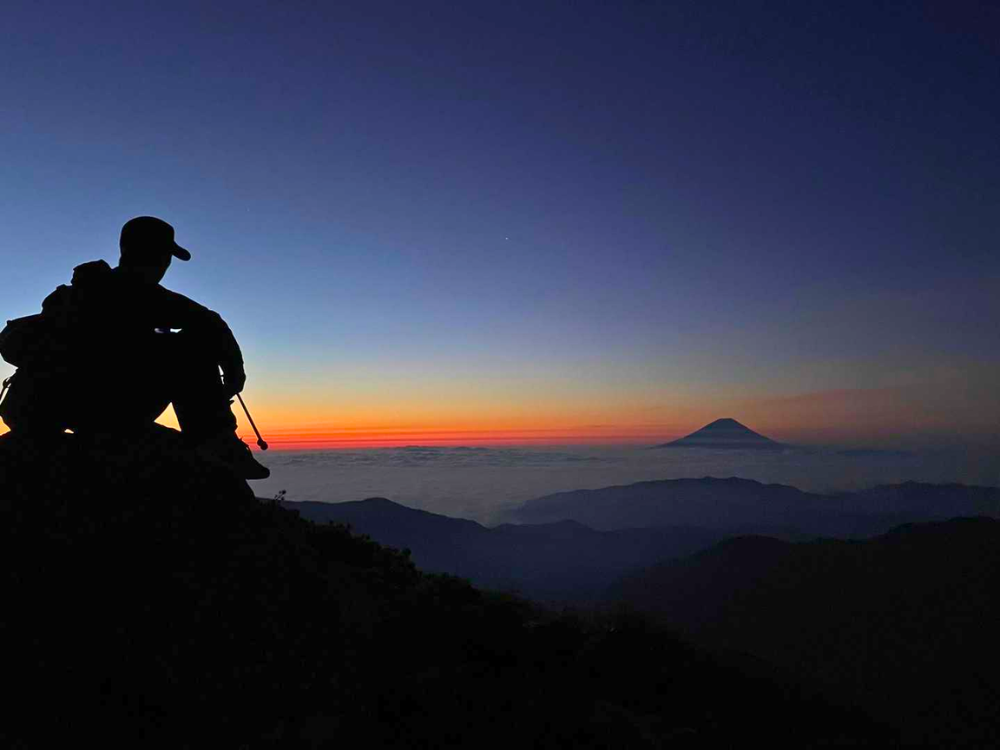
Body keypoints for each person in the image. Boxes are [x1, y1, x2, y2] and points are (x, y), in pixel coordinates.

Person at [0, 216, 269, 479]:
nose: (166, 265)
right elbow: (211, 323)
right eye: (164, 256)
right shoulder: (148, 297)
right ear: (155, 255)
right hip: (102, 410)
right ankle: (217, 441)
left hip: (33, 410)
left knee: (175, 340)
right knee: (191, 345)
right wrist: (235, 371)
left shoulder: (77, 294)